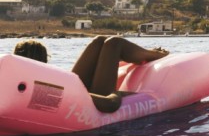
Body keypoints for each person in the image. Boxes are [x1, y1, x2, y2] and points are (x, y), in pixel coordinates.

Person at [13, 36, 168, 113]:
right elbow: (109, 104)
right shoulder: (39, 88)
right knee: (114, 43)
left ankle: (148, 53)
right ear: (45, 60)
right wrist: (118, 94)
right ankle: (153, 54)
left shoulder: (16, 81)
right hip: (85, 96)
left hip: (74, 86)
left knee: (100, 40)